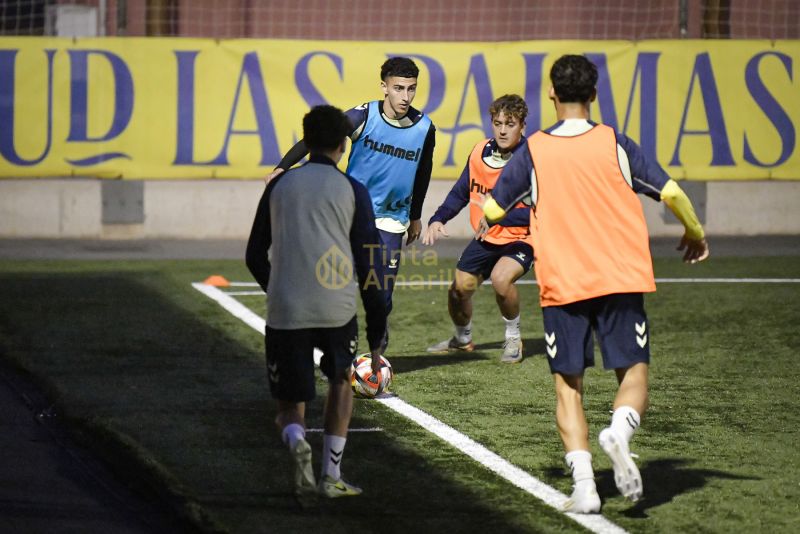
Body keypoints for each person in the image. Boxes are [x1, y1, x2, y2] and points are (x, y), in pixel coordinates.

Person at [482, 55, 709, 513]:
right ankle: (619, 433)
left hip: (563, 281)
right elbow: (672, 193)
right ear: (594, 95)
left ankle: (585, 488)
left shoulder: (535, 151)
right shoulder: (615, 142)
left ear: (551, 93)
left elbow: (492, 211)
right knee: (634, 372)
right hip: (620, 277)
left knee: (569, 386)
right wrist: (695, 233)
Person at [246, 105, 387, 503]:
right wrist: (377, 338)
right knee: (341, 381)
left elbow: (255, 255)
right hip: (337, 309)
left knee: (290, 402)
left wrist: (276, 290)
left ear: (305, 142)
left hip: (287, 309)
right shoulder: (353, 191)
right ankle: (332, 474)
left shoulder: (279, 187)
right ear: (344, 145)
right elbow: (370, 266)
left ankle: (295, 442)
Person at [266, 57, 436, 352]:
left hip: (391, 220)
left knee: (381, 295)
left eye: (411, 89)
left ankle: (375, 360)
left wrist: (416, 216)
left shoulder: (424, 128)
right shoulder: (363, 116)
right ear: (384, 87)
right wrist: (282, 167)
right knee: (329, 285)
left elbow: (423, 171)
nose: (405, 97)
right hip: (348, 213)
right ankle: (324, 348)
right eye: (398, 88)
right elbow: (319, 137)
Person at [422, 94, 533, 364]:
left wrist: (500, 217)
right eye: (498, 123)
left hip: (522, 239)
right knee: (458, 291)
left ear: (523, 126)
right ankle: (462, 340)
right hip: (486, 240)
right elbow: (462, 191)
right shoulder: (480, 151)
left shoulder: (533, 160)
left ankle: (513, 338)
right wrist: (439, 218)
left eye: (511, 123)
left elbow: (544, 211)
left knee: (501, 279)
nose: (503, 130)